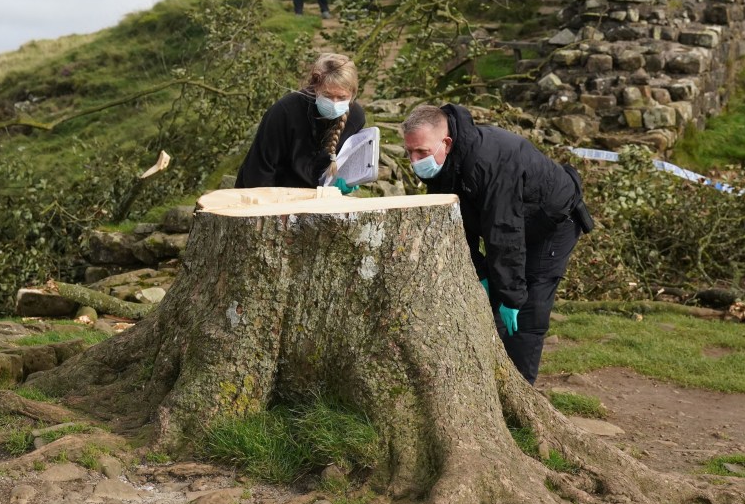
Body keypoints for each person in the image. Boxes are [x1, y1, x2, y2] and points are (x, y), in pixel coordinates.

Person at [401, 104, 594, 385]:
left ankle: (520, 393)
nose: (415, 160)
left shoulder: (488, 161)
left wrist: (512, 295)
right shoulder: (442, 167)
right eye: (410, 152)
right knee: (491, 301)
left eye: (422, 152)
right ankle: (488, 382)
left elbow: (504, 230)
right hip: (514, 224)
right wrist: (480, 273)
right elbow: (455, 226)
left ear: (446, 142)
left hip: (553, 223)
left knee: (528, 309)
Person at [235, 53, 364, 194]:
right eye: (327, 95)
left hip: (316, 199)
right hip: (272, 192)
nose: (334, 103)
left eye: (342, 97)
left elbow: (346, 161)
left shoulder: (355, 118)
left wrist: (346, 179)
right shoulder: (284, 111)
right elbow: (259, 169)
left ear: (352, 94)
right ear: (315, 87)